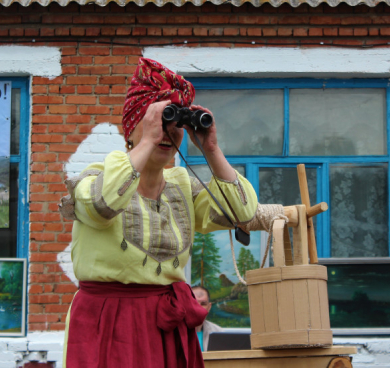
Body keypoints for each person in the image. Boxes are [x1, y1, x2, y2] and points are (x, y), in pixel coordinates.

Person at [59, 57, 258, 368]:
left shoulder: (182, 188)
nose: (169, 131)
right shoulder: (97, 178)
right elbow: (101, 205)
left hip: (167, 324)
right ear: (133, 125)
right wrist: (150, 138)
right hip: (108, 323)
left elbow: (242, 212)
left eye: (176, 123)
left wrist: (211, 148)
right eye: (160, 119)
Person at [192, 286, 223, 352]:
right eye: (194, 303)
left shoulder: (218, 333)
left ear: (209, 307)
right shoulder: (174, 334)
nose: (199, 308)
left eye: (203, 304)